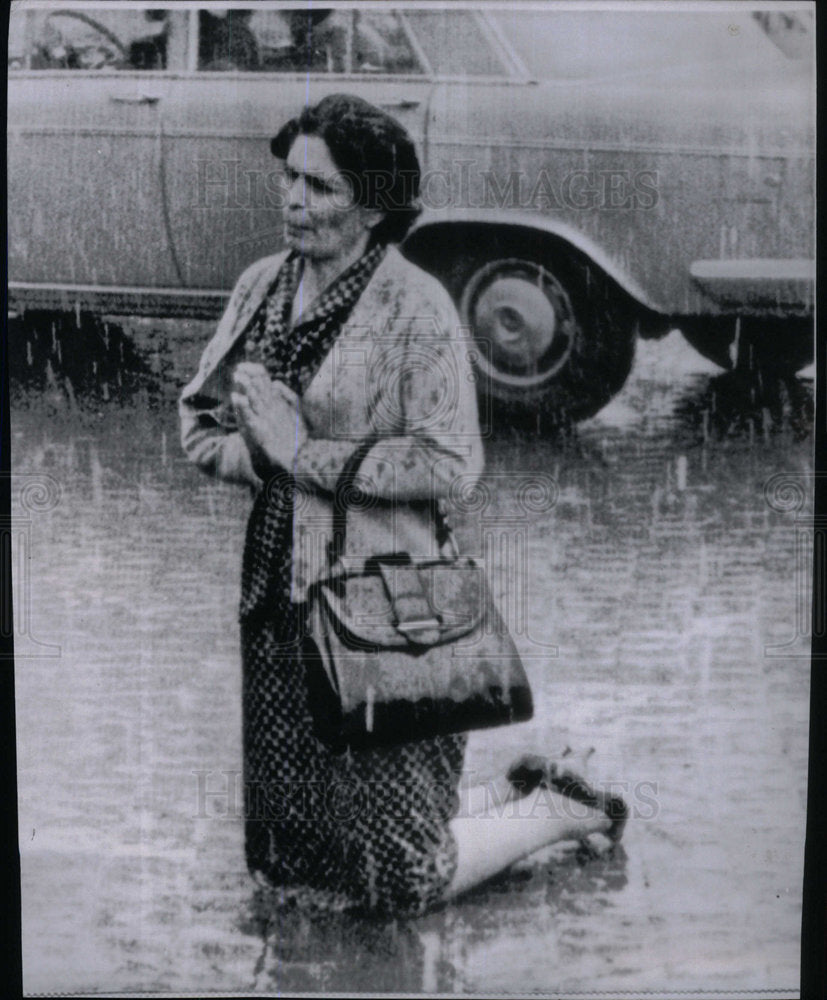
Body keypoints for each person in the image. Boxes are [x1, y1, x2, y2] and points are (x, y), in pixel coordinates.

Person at [180, 93, 624, 915]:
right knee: (296, 857)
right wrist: (247, 450)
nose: (293, 200)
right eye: (289, 178)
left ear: (374, 205)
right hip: (280, 584)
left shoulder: (414, 308)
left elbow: (452, 465)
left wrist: (300, 454)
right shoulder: (261, 287)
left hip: (387, 600)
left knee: (400, 880)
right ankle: (510, 797)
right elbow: (198, 421)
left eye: (320, 187)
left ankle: (560, 810)